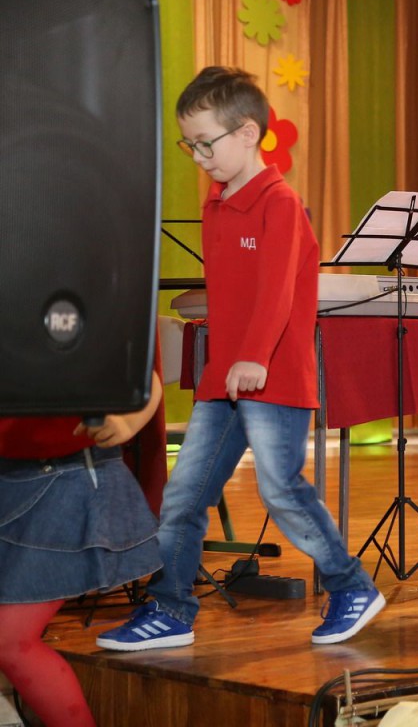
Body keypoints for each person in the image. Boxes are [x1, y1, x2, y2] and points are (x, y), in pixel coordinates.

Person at [99, 67, 384, 650]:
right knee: (184, 496)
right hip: (222, 381)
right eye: (190, 145)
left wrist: (253, 355)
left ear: (249, 133)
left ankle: (351, 586)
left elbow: (277, 291)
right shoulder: (217, 204)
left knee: (281, 490)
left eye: (206, 143)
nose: (199, 156)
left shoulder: (280, 203)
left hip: (272, 375)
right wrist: (223, 361)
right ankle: (171, 610)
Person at [0, 377, 164, 726]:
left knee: (11, 639)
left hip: (67, 472)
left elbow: (141, 372)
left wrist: (128, 421)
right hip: (13, 474)